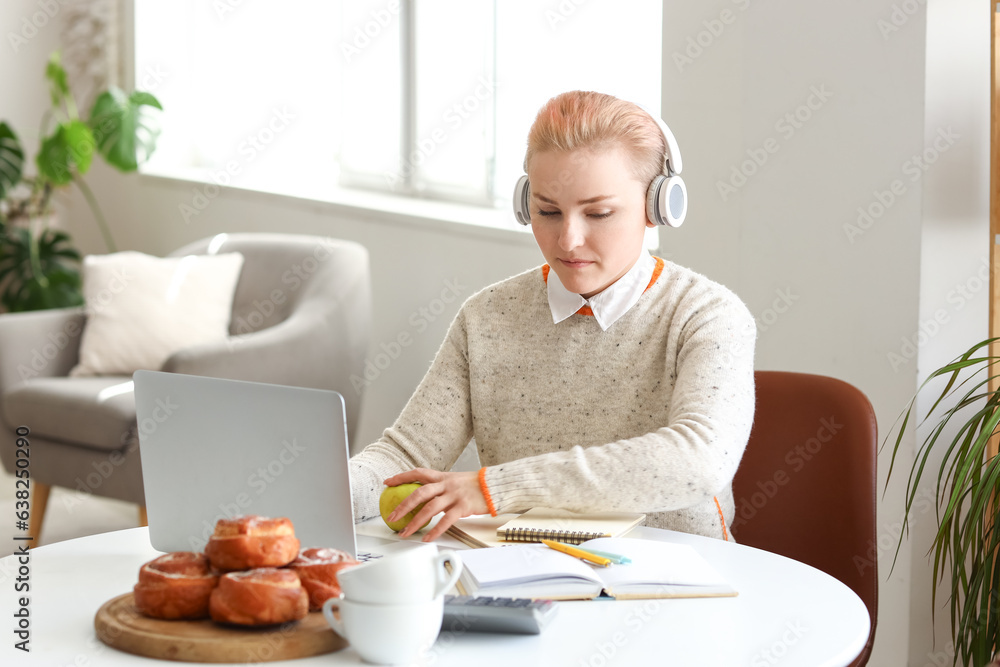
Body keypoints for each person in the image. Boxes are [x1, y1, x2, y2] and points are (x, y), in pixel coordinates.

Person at [349, 90, 756, 543]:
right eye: (547, 211)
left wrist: (495, 489)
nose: (568, 240)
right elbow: (404, 454)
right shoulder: (487, 317)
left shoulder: (708, 316)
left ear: (658, 206)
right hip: (524, 577)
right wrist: (305, 493)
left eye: (598, 213)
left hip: (679, 582)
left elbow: (699, 459)